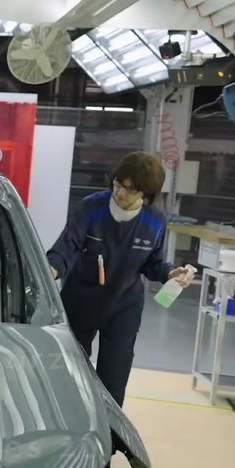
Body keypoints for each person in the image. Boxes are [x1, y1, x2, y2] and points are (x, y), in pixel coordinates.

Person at [46, 151, 195, 407]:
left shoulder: (154, 221)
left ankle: (108, 430)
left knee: (114, 379)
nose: (120, 193)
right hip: (80, 301)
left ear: (146, 194)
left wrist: (171, 273)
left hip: (123, 307)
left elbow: (153, 263)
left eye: (130, 189)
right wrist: (50, 271)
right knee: (69, 371)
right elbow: (66, 247)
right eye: (117, 184)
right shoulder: (92, 208)